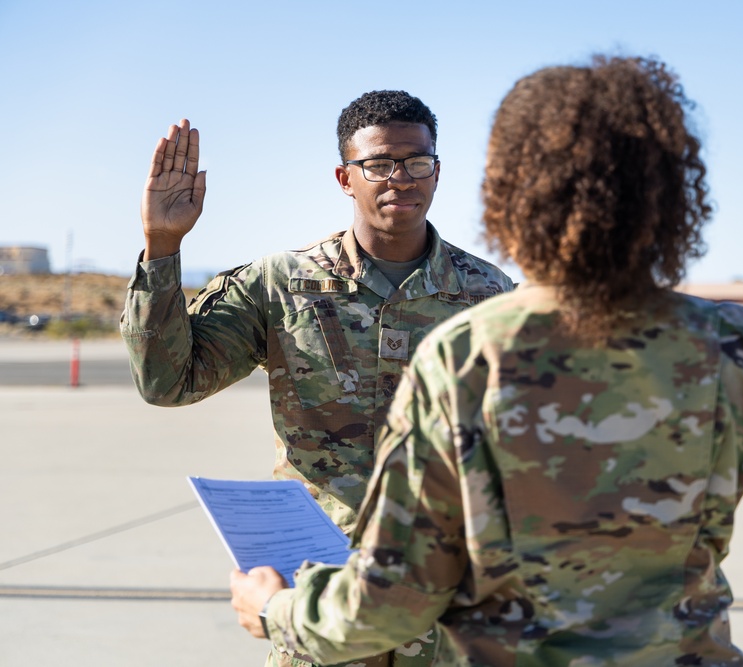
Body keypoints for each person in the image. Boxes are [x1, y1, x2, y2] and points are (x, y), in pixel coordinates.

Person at [229, 56, 743, 666]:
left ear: (511, 194)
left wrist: (281, 607)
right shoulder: (740, 345)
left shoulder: (468, 354)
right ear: (669, 195)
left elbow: (391, 603)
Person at [120, 91, 514, 667]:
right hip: (318, 598)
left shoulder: (489, 294)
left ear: (437, 171)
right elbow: (168, 383)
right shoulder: (281, 285)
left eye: (416, 161)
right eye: (378, 164)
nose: (399, 178)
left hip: (444, 607)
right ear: (344, 177)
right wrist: (162, 246)